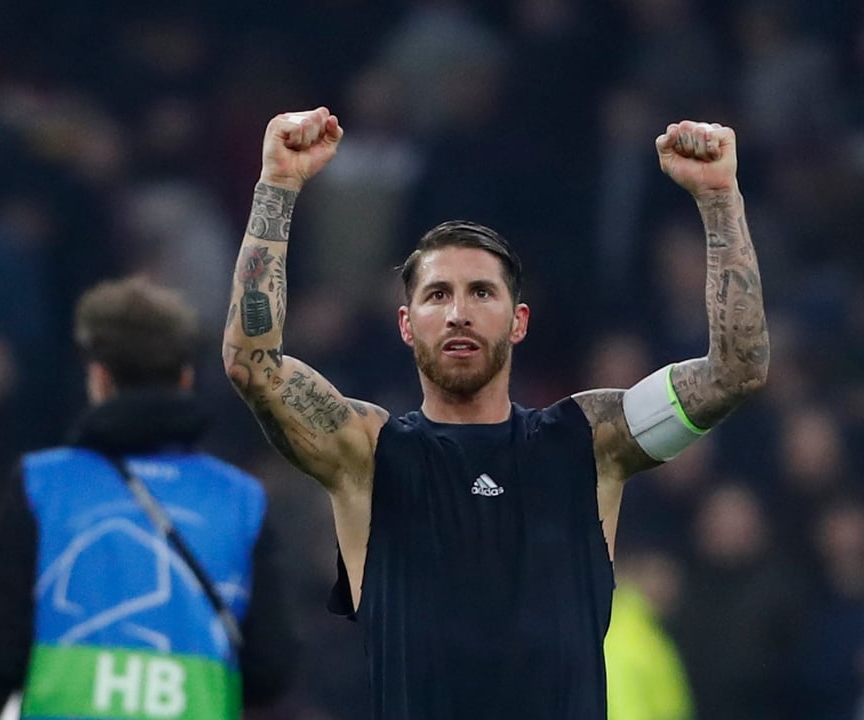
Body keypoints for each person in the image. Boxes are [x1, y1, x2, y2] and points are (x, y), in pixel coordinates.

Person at [223, 106, 768, 719]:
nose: (459, 313)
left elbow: (735, 371)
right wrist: (277, 186)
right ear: (406, 325)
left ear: (518, 321)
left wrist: (720, 200)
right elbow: (253, 365)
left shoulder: (588, 442)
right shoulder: (369, 454)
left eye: (481, 293)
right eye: (437, 295)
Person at [0, 277, 296, 720]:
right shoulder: (241, 500)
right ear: (186, 379)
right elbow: (269, 671)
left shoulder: (42, 483)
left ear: (99, 378)